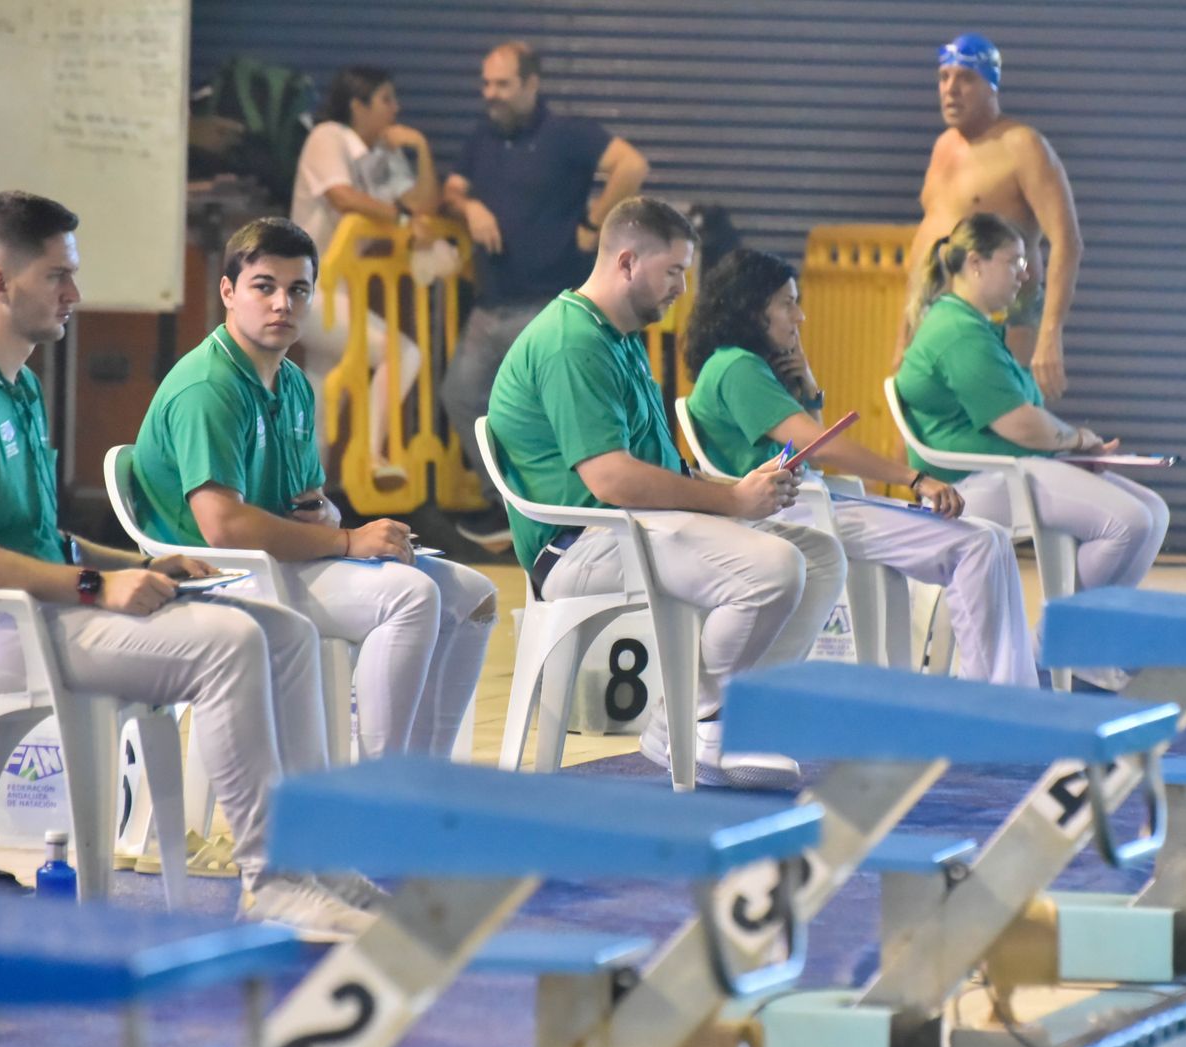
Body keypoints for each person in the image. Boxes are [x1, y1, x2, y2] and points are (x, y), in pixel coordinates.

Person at [0, 191, 379, 939]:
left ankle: (311, 860)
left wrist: (142, 561)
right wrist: (96, 587)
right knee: (229, 646)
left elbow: (42, 540)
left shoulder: (18, 383)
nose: (75, 294)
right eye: (57, 277)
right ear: (0, 284)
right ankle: (271, 881)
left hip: (36, 613)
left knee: (284, 632)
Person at [487, 197, 846, 788]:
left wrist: (744, 488)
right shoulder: (572, 342)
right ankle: (693, 719)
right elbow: (610, 479)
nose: (685, 288)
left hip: (628, 524)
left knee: (817, 554)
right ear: (627, 262)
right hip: (581, 543)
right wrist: (734, 504)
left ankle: (737, 716)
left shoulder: (619, 338)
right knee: (774, 567)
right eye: (675, 271)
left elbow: (662, 471)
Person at [132, 217, 497, 762]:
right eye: (264, 287)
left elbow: (307, 503)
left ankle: (420, 780)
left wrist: (327, 517)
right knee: (410, 596)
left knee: (472, 596)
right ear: (228, 292)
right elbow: (223, 526)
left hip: (276, 561)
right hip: (218, 575)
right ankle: (372, 794)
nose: (282, 303)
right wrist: (347, 541)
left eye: (297, 290)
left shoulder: (293, 382)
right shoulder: (208, 386)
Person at [685, 248, 1037, 687]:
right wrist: (915, 478)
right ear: (751, 308)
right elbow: (821, 445)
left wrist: (809, 390)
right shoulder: (737, 367)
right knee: (978, 544)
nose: (800, 317)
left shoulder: (739, 364)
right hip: (794, 513)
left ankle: (1011, 696)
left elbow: (808, 448)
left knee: (992, 538)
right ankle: (985, 704)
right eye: (787, 303)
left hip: (809, 504)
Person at [894, 213, 1169, 687]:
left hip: (1013, 466)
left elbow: (1026, 418)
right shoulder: (958, 333)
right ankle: (1055, 643)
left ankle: (1079, 642)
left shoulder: (977, 327)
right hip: (975, 482)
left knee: (1154, 510)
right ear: (975, 264)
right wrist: (1080, 440)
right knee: (1129, 522)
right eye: (1014, 262)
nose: (1025, 274)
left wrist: (1075, 449)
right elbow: (1020, 423)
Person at [442, 40, 650, 549]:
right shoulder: (484, 137)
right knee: (462, 397)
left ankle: (563, 517)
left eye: (502, 85)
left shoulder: (565, 135)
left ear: (532, 85)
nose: (490, 94)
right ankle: (512, 506)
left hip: (547, 306)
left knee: (548, 415)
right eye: (486, 84)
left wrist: (594, 222)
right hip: (490, 306)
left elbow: (632, 165)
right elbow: (451, 187)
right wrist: (469, 207)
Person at [895, 32, 1082, 402]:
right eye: (944, 77)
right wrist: (904, 334)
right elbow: (928, 239)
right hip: (935, 315)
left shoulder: (1021, 146)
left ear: (992, 85)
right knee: (918, 433)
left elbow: (1067, 241)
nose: (951, 89)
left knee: (1001, 430)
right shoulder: (943, 147)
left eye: (965, 78)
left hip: (1002, 320)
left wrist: (1049, 334)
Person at [290, 65, 436, 492]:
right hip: (312, 291)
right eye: (387, 99)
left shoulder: (379, 156)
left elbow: (423, 204)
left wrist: (421, 149)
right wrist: (403, 217)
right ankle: (373, 457)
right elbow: (342, 196)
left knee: (319, 396)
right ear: (358, 105)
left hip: (339, 293)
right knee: (403, 354)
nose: (397, 108)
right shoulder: (329, 137)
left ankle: (305, 497)